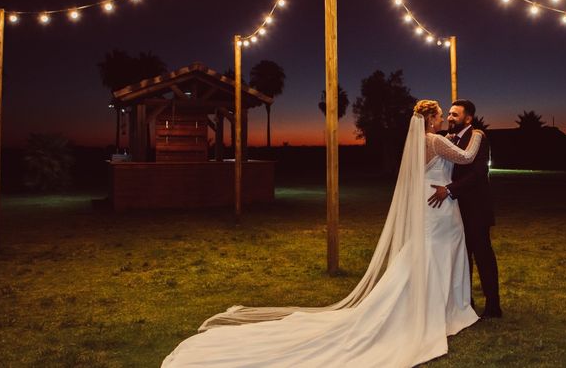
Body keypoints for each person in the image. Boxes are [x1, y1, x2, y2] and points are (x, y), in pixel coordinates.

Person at [161, 100, 482, 367]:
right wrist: (479, 133)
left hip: (430, 203)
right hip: (438, 206)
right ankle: (438, 309)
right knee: (433, 255)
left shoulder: (419, 143)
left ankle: (430, 305)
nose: (443, 119)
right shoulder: (434, 140)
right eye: (441, 115)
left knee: (425, 257)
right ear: (430, 118)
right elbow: (466, 156)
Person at [427, 99, 501, 318]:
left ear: (468, 118)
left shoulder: (478, 138)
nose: (449, 118)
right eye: (448, 114)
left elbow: (478, 173)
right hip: (454, 211)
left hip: (476, 208)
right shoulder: (446, 139)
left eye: (455, 115)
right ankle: (465, 302)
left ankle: (493, 305)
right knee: (461, 257)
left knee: (483, 256)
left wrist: (449, 190)